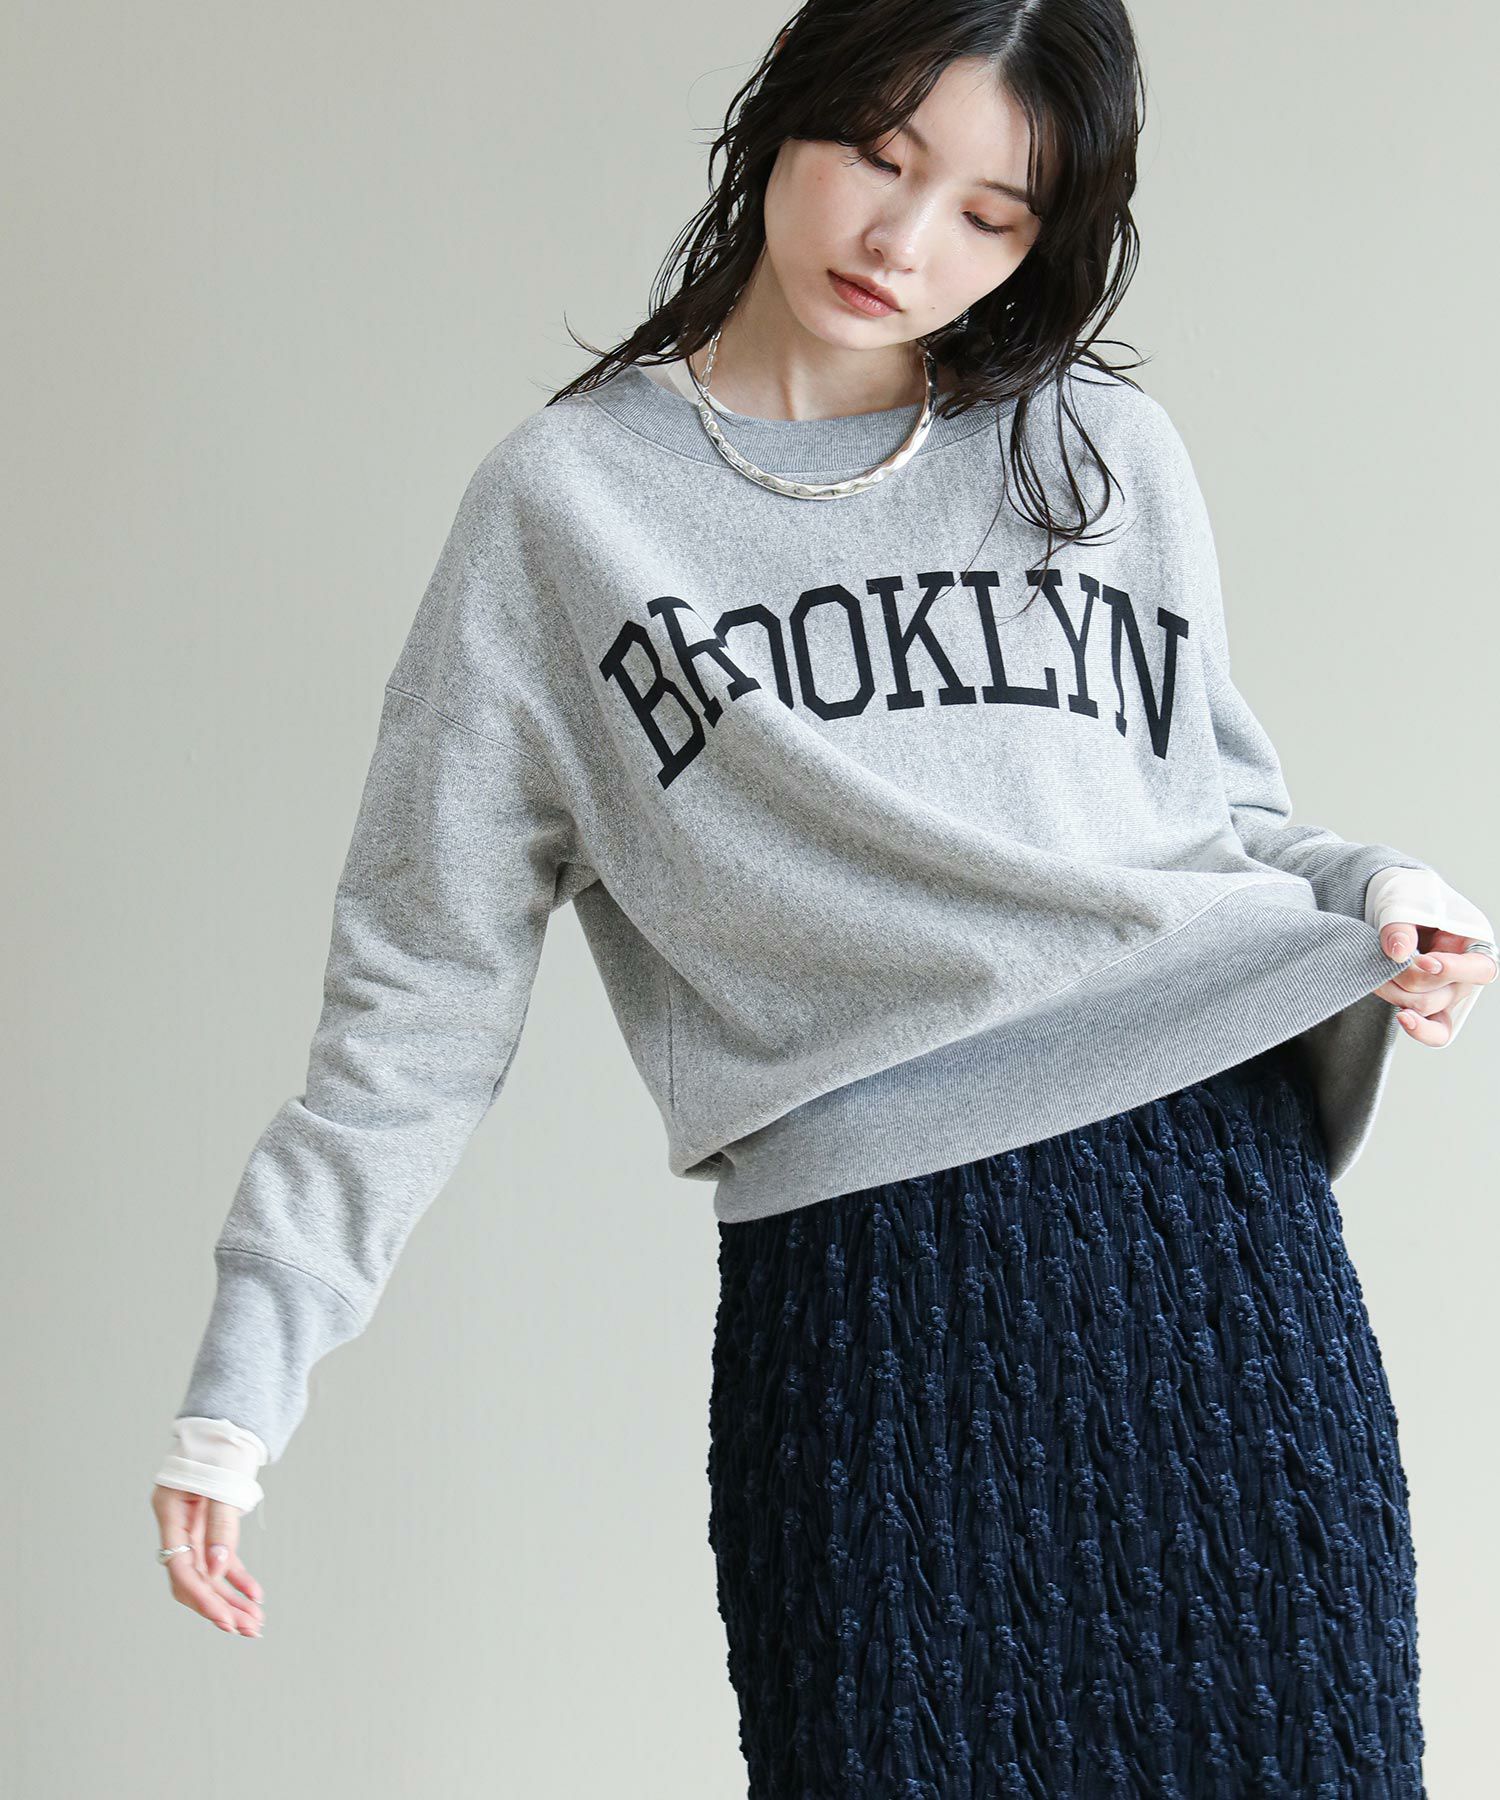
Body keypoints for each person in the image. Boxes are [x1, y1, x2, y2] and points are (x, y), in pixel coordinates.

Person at [150, 3, 1494, 1790]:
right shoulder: (568, 511)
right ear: (786, 115)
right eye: (879, 153)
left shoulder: (1095, 451)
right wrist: (243, 1392)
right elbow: (420, 993)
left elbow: (1214, 823)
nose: (903, 240)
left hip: (1214, 1245)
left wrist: (1383, 887)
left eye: (990, 214)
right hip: (874, 1299)